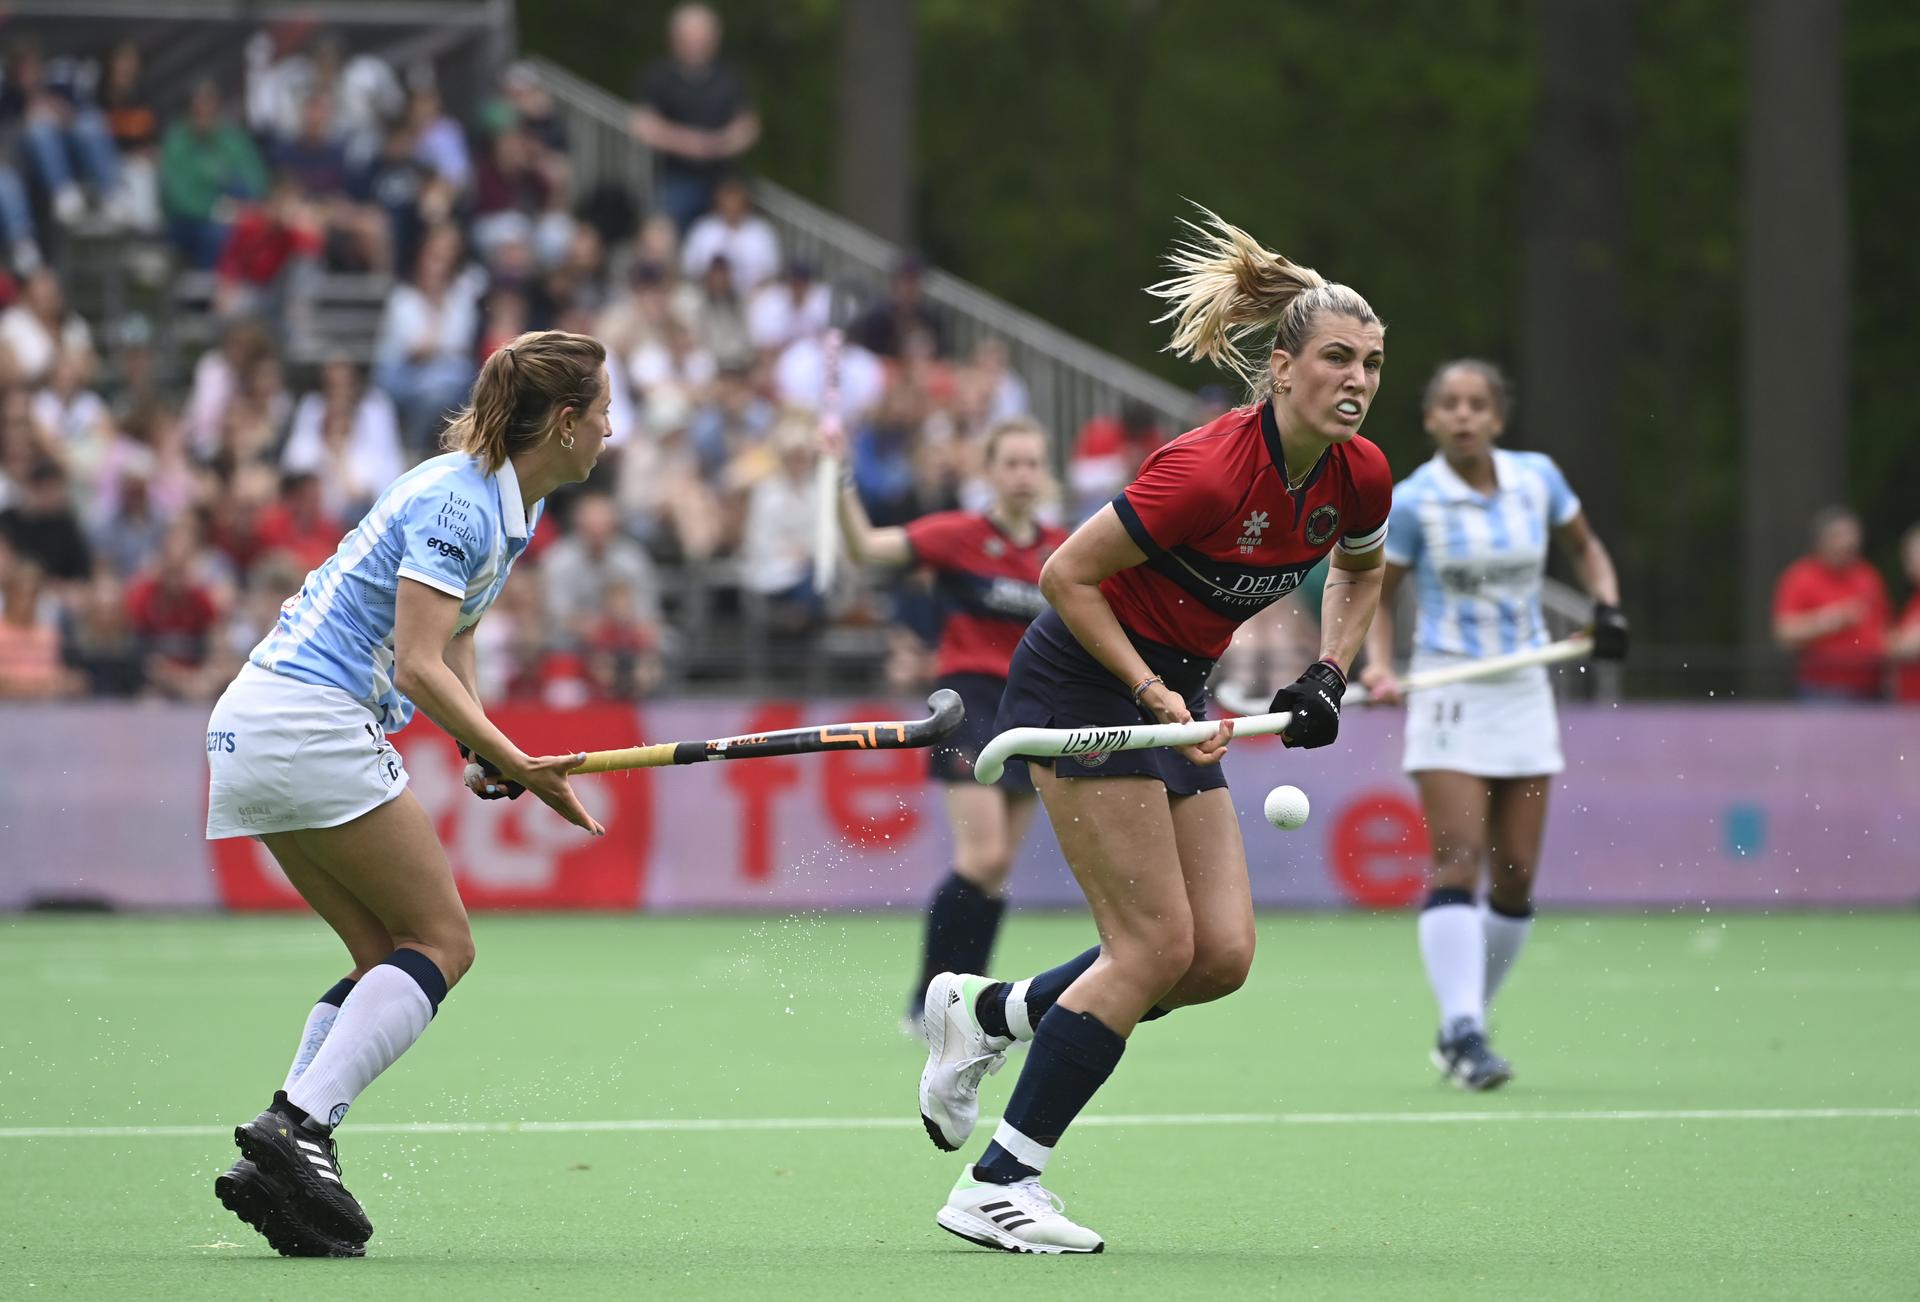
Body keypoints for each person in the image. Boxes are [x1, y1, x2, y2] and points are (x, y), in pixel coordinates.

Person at [916, 208, 1391, 1253]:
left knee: (1215, 955)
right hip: (1085, 679)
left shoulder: (1359, 473)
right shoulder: (1209, 468)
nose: (1356, 380)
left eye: (1371, 363)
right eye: (1335, 360)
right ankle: (998, 1182)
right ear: (1281, 368)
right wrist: (1149, 690)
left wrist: (1328, 668)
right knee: (1153, 944)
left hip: (1169, 690)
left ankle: (987, 1013)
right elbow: (1063, 577)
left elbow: (1360, 568)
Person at [202, 331, 612, 1257]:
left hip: (257, 726)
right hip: (309, 721)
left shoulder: (506, 504)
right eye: (604, 412)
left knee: (379, 952)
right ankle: (299, 1128)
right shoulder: (460, 503)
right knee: (444, 943)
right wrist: (522, 762)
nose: (611, 431)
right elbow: (420, 665)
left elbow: (453, 637)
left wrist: (485, 749)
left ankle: (280, 1158)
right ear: (564, 421)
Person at [1357, 359, 1627, 1091]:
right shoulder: (1414, 501)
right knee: (1459, 855)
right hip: (1449, 689)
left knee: (1514, 877)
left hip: (1523, 691)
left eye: (1478, 405)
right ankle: (1464, 1029)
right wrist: (1379, 666)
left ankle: (1465, 1021)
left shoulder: (1537, 478)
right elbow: (1377, 594)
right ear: (1431, 419)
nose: (1465, 416)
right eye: (1450, 404)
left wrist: (1606, 605)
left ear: (1498, 418)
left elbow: (1587, 549)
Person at [827, 416, 1066, 1025]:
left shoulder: (1060, 549)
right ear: (989, 470)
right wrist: (839, 476)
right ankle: (927, 997)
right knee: (981, 858)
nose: (1022, 475)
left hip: (1032, 711)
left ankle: (966, 1002)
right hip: (967, 704)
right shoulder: (959, 535)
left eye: (1032, 463)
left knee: (998, 869)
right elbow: (866, 547)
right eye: (1010, 463)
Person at [629, 2, 760, 232]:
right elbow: (642, 125)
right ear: (675, 38)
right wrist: (688, 143)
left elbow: (747, 127)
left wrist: (716, 145)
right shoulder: (658, 76)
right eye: (689, 35)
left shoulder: (730, 78)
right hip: (674, 178)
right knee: (659, 232)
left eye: (702, 35)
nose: (696, 42)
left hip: (724, 179)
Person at [1771, 507, 1889, 701]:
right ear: (1821, 541)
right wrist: (1832, 620)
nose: (1848, 542)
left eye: (1852, 537)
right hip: (1823, 691)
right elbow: (1784, 633)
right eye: (1839, 537)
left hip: (1871, 689)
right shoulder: (1800, 577)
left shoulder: (1869, 577)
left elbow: (1884, 630)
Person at [1888, 524, 1920, 703]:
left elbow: (1908, 646)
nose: (1908, 565)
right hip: (1909, 707)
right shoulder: (1914, 600)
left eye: (1914, 556)